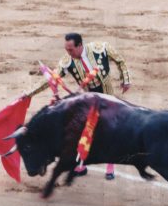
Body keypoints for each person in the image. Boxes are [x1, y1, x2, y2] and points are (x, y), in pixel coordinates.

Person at [29, 33, 131, 180]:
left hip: (106, 92)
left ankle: (110, 164)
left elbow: (120, 60)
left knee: (110, 127)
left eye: (70, 49)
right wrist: (29, 93)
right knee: (83, 128)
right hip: (88, 95)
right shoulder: (67, 61)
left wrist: (125, 79)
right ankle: (81, 163)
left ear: (79, 45)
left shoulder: (100, 48)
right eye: (66, 49)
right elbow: (51, 78)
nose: (68, 53)